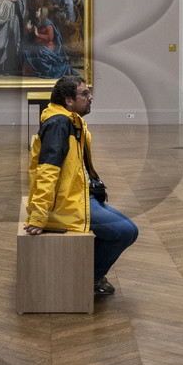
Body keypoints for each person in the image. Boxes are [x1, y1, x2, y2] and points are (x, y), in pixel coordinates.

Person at [25, 76, 138, 299]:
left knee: (129, 230)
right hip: (64, 205)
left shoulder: (69, 119)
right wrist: (39, 216)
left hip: (78, 196)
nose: (90, 97)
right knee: (125, 232)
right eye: (84, 94)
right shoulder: (59, 124)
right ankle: (85, 276)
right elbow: (47, 172)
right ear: (69, 100)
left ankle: (84, 272)